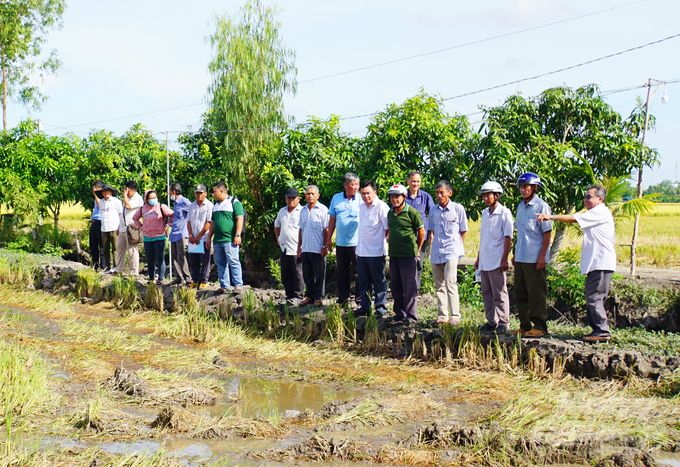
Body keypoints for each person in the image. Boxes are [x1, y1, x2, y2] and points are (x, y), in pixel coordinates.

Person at [536, 184, 616, 343]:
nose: (585, 200)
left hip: (601, 263)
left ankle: (602, 331)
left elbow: (573, 219)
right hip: (597, 263)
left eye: (588, 197)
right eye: (584, 197)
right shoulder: (595, 212)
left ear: (600, 199)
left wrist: (551, 217)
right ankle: (597, 330)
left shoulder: (599, 212)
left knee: (594, 297)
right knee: (591, 296)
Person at [513, 172, 553, 338]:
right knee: (520, 292)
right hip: (521, 257)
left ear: (534, 188)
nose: (523, 189)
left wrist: (542, 256)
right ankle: (524, 325)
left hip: (534, 258)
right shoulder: (520, 206)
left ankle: (539, 326)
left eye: (526, 186)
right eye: (521, 186)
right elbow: (519, 233)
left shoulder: (541, 206)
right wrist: (514, 254)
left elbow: (547, 233)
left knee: (536, 293)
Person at [475, 181, 513, 334]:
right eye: (483, 195)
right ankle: (492, 321)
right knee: (487, 292)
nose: (485, 198)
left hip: (497, 259)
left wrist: (504, 258)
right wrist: (478, 258)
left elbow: (508, 237)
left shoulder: (504, 213)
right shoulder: (485, 213)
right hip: (485, 259)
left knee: (499, 293)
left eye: (488, 195)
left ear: (496, 195)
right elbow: (483, 238)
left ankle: (504, 322)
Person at [428, 180, 468, 325]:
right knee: (439, 285)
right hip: (437, 251)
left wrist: (458, 247)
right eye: (437, 193)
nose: (439, 196)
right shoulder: (433, 210)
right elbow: (431, 231)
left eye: (442, 193)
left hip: (452, 250)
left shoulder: (458, 209)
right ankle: (442, 315)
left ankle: (455, 315)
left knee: (451, 282)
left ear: (449, 193)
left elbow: (463, 230)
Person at [387, 183, 425, 324]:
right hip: (394, 255)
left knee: (410, 286)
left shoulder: (411, 212)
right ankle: (399, 313)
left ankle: (411, 315)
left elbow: (421, 232)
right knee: (396, 286)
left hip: (408, 255)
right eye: (392, 196)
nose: (394, 199)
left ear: (404, 197)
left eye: (397, 196)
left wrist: (417, 250)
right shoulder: (390, 213)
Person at [325, 172, 361, 306]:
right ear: (345, 185)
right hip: (341, 243)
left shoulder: (361, 198)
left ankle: (360, 299)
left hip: (357, 242)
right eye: (353, 185)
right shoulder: (336, 198)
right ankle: (343, 299)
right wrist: (328, 239)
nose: (356, 187)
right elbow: (332, 220)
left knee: (359, 271)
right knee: (342, 272)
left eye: (357, 184)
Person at [356, 180, 389, 317]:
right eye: (363, 193)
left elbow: (388, 230)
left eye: (368, 193)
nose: (366, 196)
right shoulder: (361, 206)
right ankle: (365, 307)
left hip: (376, 252)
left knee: (379, 282)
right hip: (362, 251)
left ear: (375, 192)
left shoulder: (382, 207)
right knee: (363, 282)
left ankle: (380, 308)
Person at [209, 181, 245, 293]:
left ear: (221, 191)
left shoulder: (234, 202)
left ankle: (238, 285)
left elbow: (240, 218)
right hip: (218, 240)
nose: (213, 194)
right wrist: (208, 237)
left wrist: (238, 235)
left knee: (233, 261)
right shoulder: (215, 205)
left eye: (214, 192)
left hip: (230, 239)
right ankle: (224, 285)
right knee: (220, 263)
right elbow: (213, 223)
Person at [297, 185, 329, 306]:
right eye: (308, 194)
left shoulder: (323, 210)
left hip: (317, 248)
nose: (310, 196)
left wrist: (325, 246)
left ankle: (319, 297)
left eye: (312, 194)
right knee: (307, 274)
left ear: (318, 196)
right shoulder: (303, 210)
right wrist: (299, 247)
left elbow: (326, 230)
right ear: (305, 196)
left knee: (319, 274)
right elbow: (301, 230)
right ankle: (309, 296)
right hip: (305, 247)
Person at [133, 190, 173, 285]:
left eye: (154, 197)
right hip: (147, 238)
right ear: (146, 199)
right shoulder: (143, 209)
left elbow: (172, 215)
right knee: (150, 259)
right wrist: (141, 227)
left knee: (160, 259)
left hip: (159, 237)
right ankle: (151, 279)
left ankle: (161, 278)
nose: (153, 200)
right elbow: (135, 218)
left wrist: (167, 225)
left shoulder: (161, 207)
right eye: (151, 198)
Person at [405, 171, 435, 291]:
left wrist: (432, 232)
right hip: (407, 236)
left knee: (419, 262)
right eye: (413, 181)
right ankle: (406, 288)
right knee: (406, 262)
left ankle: (415, 289)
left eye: (417, 181)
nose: (415, 183)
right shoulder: (403, 196)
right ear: (408, 181)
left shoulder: (425, 196)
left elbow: (432, 214)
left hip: (422, 236)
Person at [274, 187, 304, 305]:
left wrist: (302, 245)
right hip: (284, 246)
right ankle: (289, 295)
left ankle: (298, 295)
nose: (290, 200)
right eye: (288, 197)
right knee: (285, 272)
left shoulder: (302, 211)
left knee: (297, 272)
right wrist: (278, 238)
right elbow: (276, 225)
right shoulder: (282, 211)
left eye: (293, 198)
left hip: (296, 246)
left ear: (298, 199)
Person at [112, 180, 144, 276]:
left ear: (132, 190)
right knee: (120, 249)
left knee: (132, 250)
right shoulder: (126, 197)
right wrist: (119, 226)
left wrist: (125, 195)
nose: (124, 192)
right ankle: (118, 269)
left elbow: (128, 206)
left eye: (126, 190)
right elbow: (123, 213)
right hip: (123, 227)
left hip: (132, 228)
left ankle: (134, 272)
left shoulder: (138, 198)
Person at [186, 184, 213, 289]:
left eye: (201, 193)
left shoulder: (209, 205)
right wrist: (191, 235)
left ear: (205, 194)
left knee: (205, 260)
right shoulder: (192, 206)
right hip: (193, 238)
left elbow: (209, 222)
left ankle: (204, 280)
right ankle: (195, 279)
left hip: (203, 237)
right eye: (197, 193)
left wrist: (198, 236)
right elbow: (188, 221)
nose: (198, 195)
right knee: (194, 260)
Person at [94, 183, 122, 272]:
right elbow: (97, 200)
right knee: (105, 249)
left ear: (111, 192)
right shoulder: (101, 202)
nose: (106, 193)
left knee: (115, 248)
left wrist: (119, 227)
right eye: (104, 192)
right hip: (104, 228)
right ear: (102, 193)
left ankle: (116, 267)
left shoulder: (116, 201)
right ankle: (107, 268)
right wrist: (94, 192)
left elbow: (121, 214)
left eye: (108, 191)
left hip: (114, 227)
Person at [169, 183, 193, 286]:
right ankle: (179, 277)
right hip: (174, 233)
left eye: (170, 192)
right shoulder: (175, 203)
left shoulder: (184, 201)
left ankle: (188, 278)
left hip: (182, 233)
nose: (169, 194)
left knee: (181, 255)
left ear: (174, 192)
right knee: (174, 256)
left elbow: (193, 211)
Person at [89, 180, 105, 270]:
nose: (94, 190)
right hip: (95, 221)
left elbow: (100, 205)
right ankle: (95, 266)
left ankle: (103, 267)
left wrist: (96, 194)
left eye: (97, 188)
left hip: (101, 222)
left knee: (102, 246)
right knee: (93, 245)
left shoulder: (103, 197)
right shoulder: (96, 198)